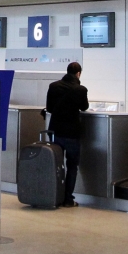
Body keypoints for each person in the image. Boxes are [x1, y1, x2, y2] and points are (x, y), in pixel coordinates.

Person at [44, 61, 89, 207]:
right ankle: (68, 199)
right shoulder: (81, 89)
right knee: (72, 166)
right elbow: (84, 107)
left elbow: (49, 108)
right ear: (78, 74)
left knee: (55, 164)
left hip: (55, 131)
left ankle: (54, 196)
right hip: (71, 133)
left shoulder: (53, 86)